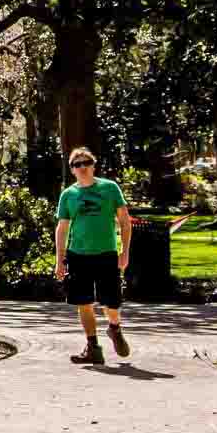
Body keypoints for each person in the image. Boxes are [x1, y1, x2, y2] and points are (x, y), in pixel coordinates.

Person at [54, 147, 136, 366]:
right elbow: (62, 227)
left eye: (86, 162)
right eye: (77, 164)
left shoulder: (110, 188)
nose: (82, 167)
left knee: (112, 301)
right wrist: (59, 259)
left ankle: (115, 328)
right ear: (72, 170)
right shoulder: (68, 195)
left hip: (107, 253)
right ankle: (93, 348)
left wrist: (124, 251)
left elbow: (125, 222)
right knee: (84, 302)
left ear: (93, 164)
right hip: (78, 255)